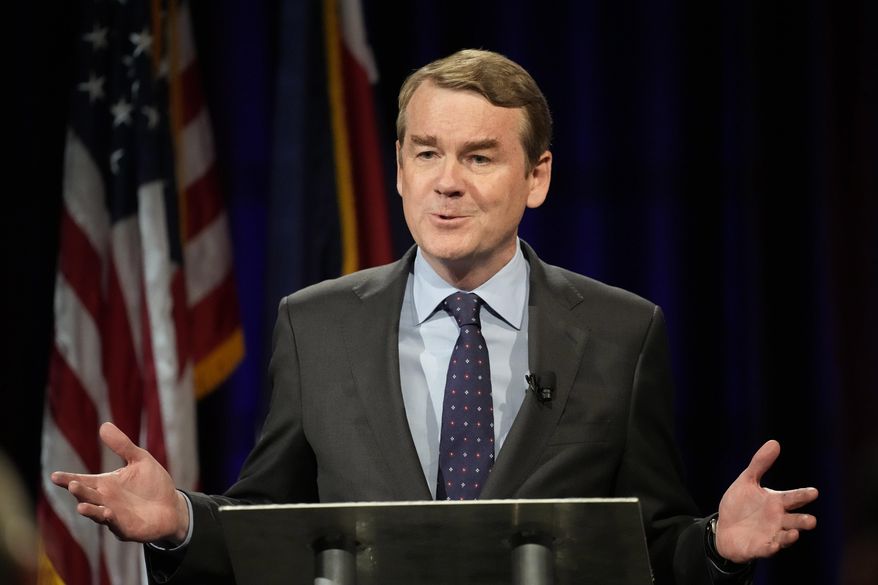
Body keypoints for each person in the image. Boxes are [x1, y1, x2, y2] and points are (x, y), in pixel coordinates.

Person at [52, 49, 818, 584]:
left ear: (537, 176)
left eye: (479, 157)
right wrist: (181, 518)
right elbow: (267, 528)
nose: (446, 183)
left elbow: (649, 544)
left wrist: (717, 546)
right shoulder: (314, 325)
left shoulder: (623, 333)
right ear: (398, 166)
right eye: (426, 153)